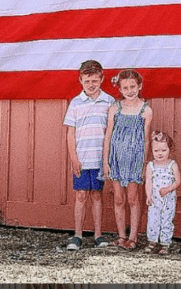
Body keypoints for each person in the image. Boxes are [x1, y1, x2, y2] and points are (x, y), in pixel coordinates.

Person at [62, 59, 114, 250]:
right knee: (81, 196)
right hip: (82, 160)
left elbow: (111, 131)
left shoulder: (109, 102)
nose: (91, 85)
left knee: (97, 195)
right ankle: (77, 235)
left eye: (94, 80)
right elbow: (70, 133)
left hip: (99, 159)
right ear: (80, 80)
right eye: (87, 81)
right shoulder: (76, 103)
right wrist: (74, 158)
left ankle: (98, 235)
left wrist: (107, 160)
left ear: (102, 78)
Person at [102, 67, 153, 250]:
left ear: (140, 86)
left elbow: (146, 140)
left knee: (133, 198)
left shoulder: (145, 110)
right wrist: (105, 162)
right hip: (116, 158)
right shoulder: (115, 108)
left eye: (133, 86)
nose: (130, 91)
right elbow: (108, 136)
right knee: (118, 199)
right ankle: (122, 235)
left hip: (134, 160)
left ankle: (133, 238)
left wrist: (144, 165)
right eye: (125, 88)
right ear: (120, 89)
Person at [144, 130, 181, 254]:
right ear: (152, 151)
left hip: (168, 199)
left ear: (169, 149)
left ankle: (165, 243)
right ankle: (152, 241)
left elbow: (177, 182)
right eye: (156, 151)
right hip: (155, 199)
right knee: (153, 219)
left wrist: (168, 189)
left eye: (163, 150)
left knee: (167, 219)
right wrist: (148, 195)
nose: (160, 154)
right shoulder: (151, 165)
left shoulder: (172, 165)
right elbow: (148, 181)